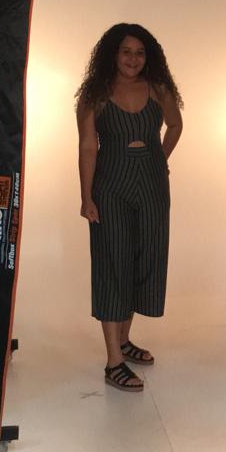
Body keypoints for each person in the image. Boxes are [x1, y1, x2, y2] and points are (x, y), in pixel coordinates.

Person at [76, 23, 183, 392]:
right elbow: (88, 146)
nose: (133, 59)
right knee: (112, 264)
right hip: (111, 186)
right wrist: (86, 196)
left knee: (143, 259)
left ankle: (123, 340)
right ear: (113, 54)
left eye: (140, 52)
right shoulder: (96, 94)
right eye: (126, 51)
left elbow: (175, 125)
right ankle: (113, 362)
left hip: (153, 186)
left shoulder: (158, 89)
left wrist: (159, 159)